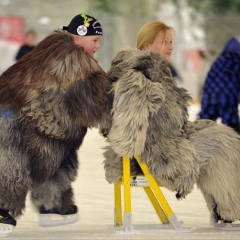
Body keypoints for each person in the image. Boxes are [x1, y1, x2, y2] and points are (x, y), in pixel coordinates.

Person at [100, 21, 240, 229]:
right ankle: (227, 210)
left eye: (171, 41)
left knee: (220, 134)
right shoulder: (138, 76)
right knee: (221, 142)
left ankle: (224, 209)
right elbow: (125, 127)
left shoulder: (154, 71)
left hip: (165, 142)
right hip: (156, 154)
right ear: (146, 45)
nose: (170, 46)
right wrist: (131, 150)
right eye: (164, 41)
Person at [0, 13, 107, 237]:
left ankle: (53, 206)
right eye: (94, 40)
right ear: (77, 39)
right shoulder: (77, 63)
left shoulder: (49, 50)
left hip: (28, 116)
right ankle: (2, 210)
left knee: (57, 153)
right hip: (14, 118)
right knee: (13, 165)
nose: (98, 45)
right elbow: (94, 105)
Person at [198, 37, 240, 133]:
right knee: (233, 128)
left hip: (210, 98)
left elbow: (208, 80)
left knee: (203, 126)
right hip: (227, 99)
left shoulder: (218, 61)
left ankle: (196, 144)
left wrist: (205, 97)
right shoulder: (237, 61)